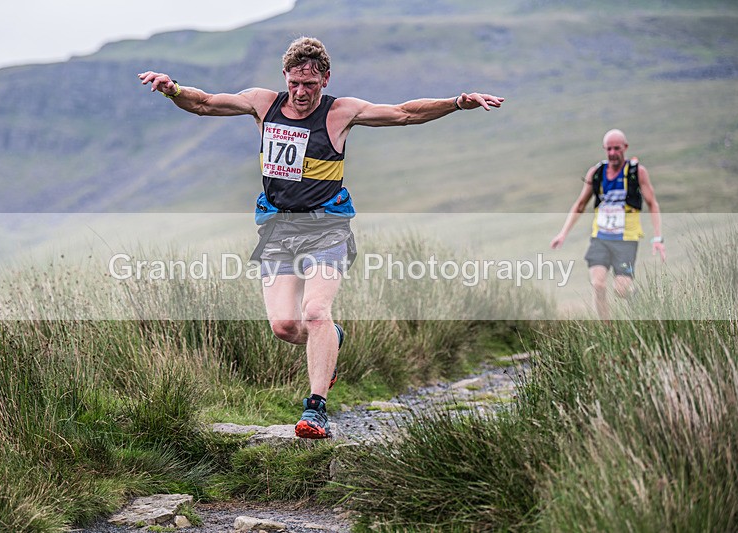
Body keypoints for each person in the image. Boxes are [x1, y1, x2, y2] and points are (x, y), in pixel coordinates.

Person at [138, 36, 504, 439]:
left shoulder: (340, 112)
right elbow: (205, 103)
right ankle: (332, 337)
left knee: (315, 312)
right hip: (278, 228)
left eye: (309, 84)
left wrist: (456, 103)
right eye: (294, 83)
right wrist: (173, 90)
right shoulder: (263, 103)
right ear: (285, 76)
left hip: (327, 227)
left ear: (325, 79)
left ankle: (315, 410)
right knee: (284, 326)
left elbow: (403, 113)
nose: (300, 92)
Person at [550, 129, 666, 321]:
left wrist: (658, 237)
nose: (612, 153)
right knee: (598, 285)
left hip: (626, 240)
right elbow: (580, 205)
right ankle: (608, 330)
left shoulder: (637, 172)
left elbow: (652, 203)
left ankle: (639, 300)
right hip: (600, 238)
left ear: (625, 147)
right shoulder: (596, 173)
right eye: (609, 149)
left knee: (621, 290)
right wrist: (563, 234)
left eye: (617, 148)